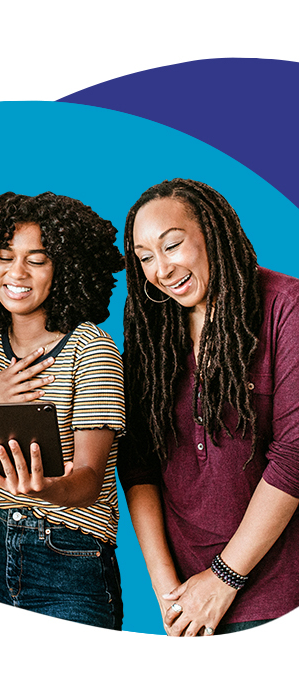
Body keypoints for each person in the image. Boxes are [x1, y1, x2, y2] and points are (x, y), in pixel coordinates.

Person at [118, 178, 299, 636]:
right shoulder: (151, 334)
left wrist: (224, 578)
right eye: (145, 258)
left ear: (211, 234)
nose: (161, 268)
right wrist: (168, 592)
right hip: (186, 603)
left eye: (172, 245)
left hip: (278, 595)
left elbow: (295, 455)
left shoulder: (287, 307)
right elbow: (138, 465)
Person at [0, 191, 125, 629]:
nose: (16, 272)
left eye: (37, 259)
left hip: (71, 557)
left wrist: (41, 489)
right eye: (4, 257)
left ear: (63, 267)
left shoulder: (92, 348)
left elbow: (89, 480)